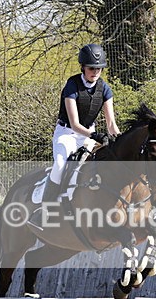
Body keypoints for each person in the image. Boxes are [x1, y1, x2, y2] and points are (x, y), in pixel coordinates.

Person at [43, 43, 120, 204]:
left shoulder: (105, 89)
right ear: (83, 67)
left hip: (88, 136)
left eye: (98, 69)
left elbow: (111, 124)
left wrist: (119, 140)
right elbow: (75, 123)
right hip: (67, 134)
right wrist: (95, 135)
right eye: (91, 68)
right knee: (59, 166)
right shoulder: (72, 85)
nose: (95, 72)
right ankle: (44, 209)